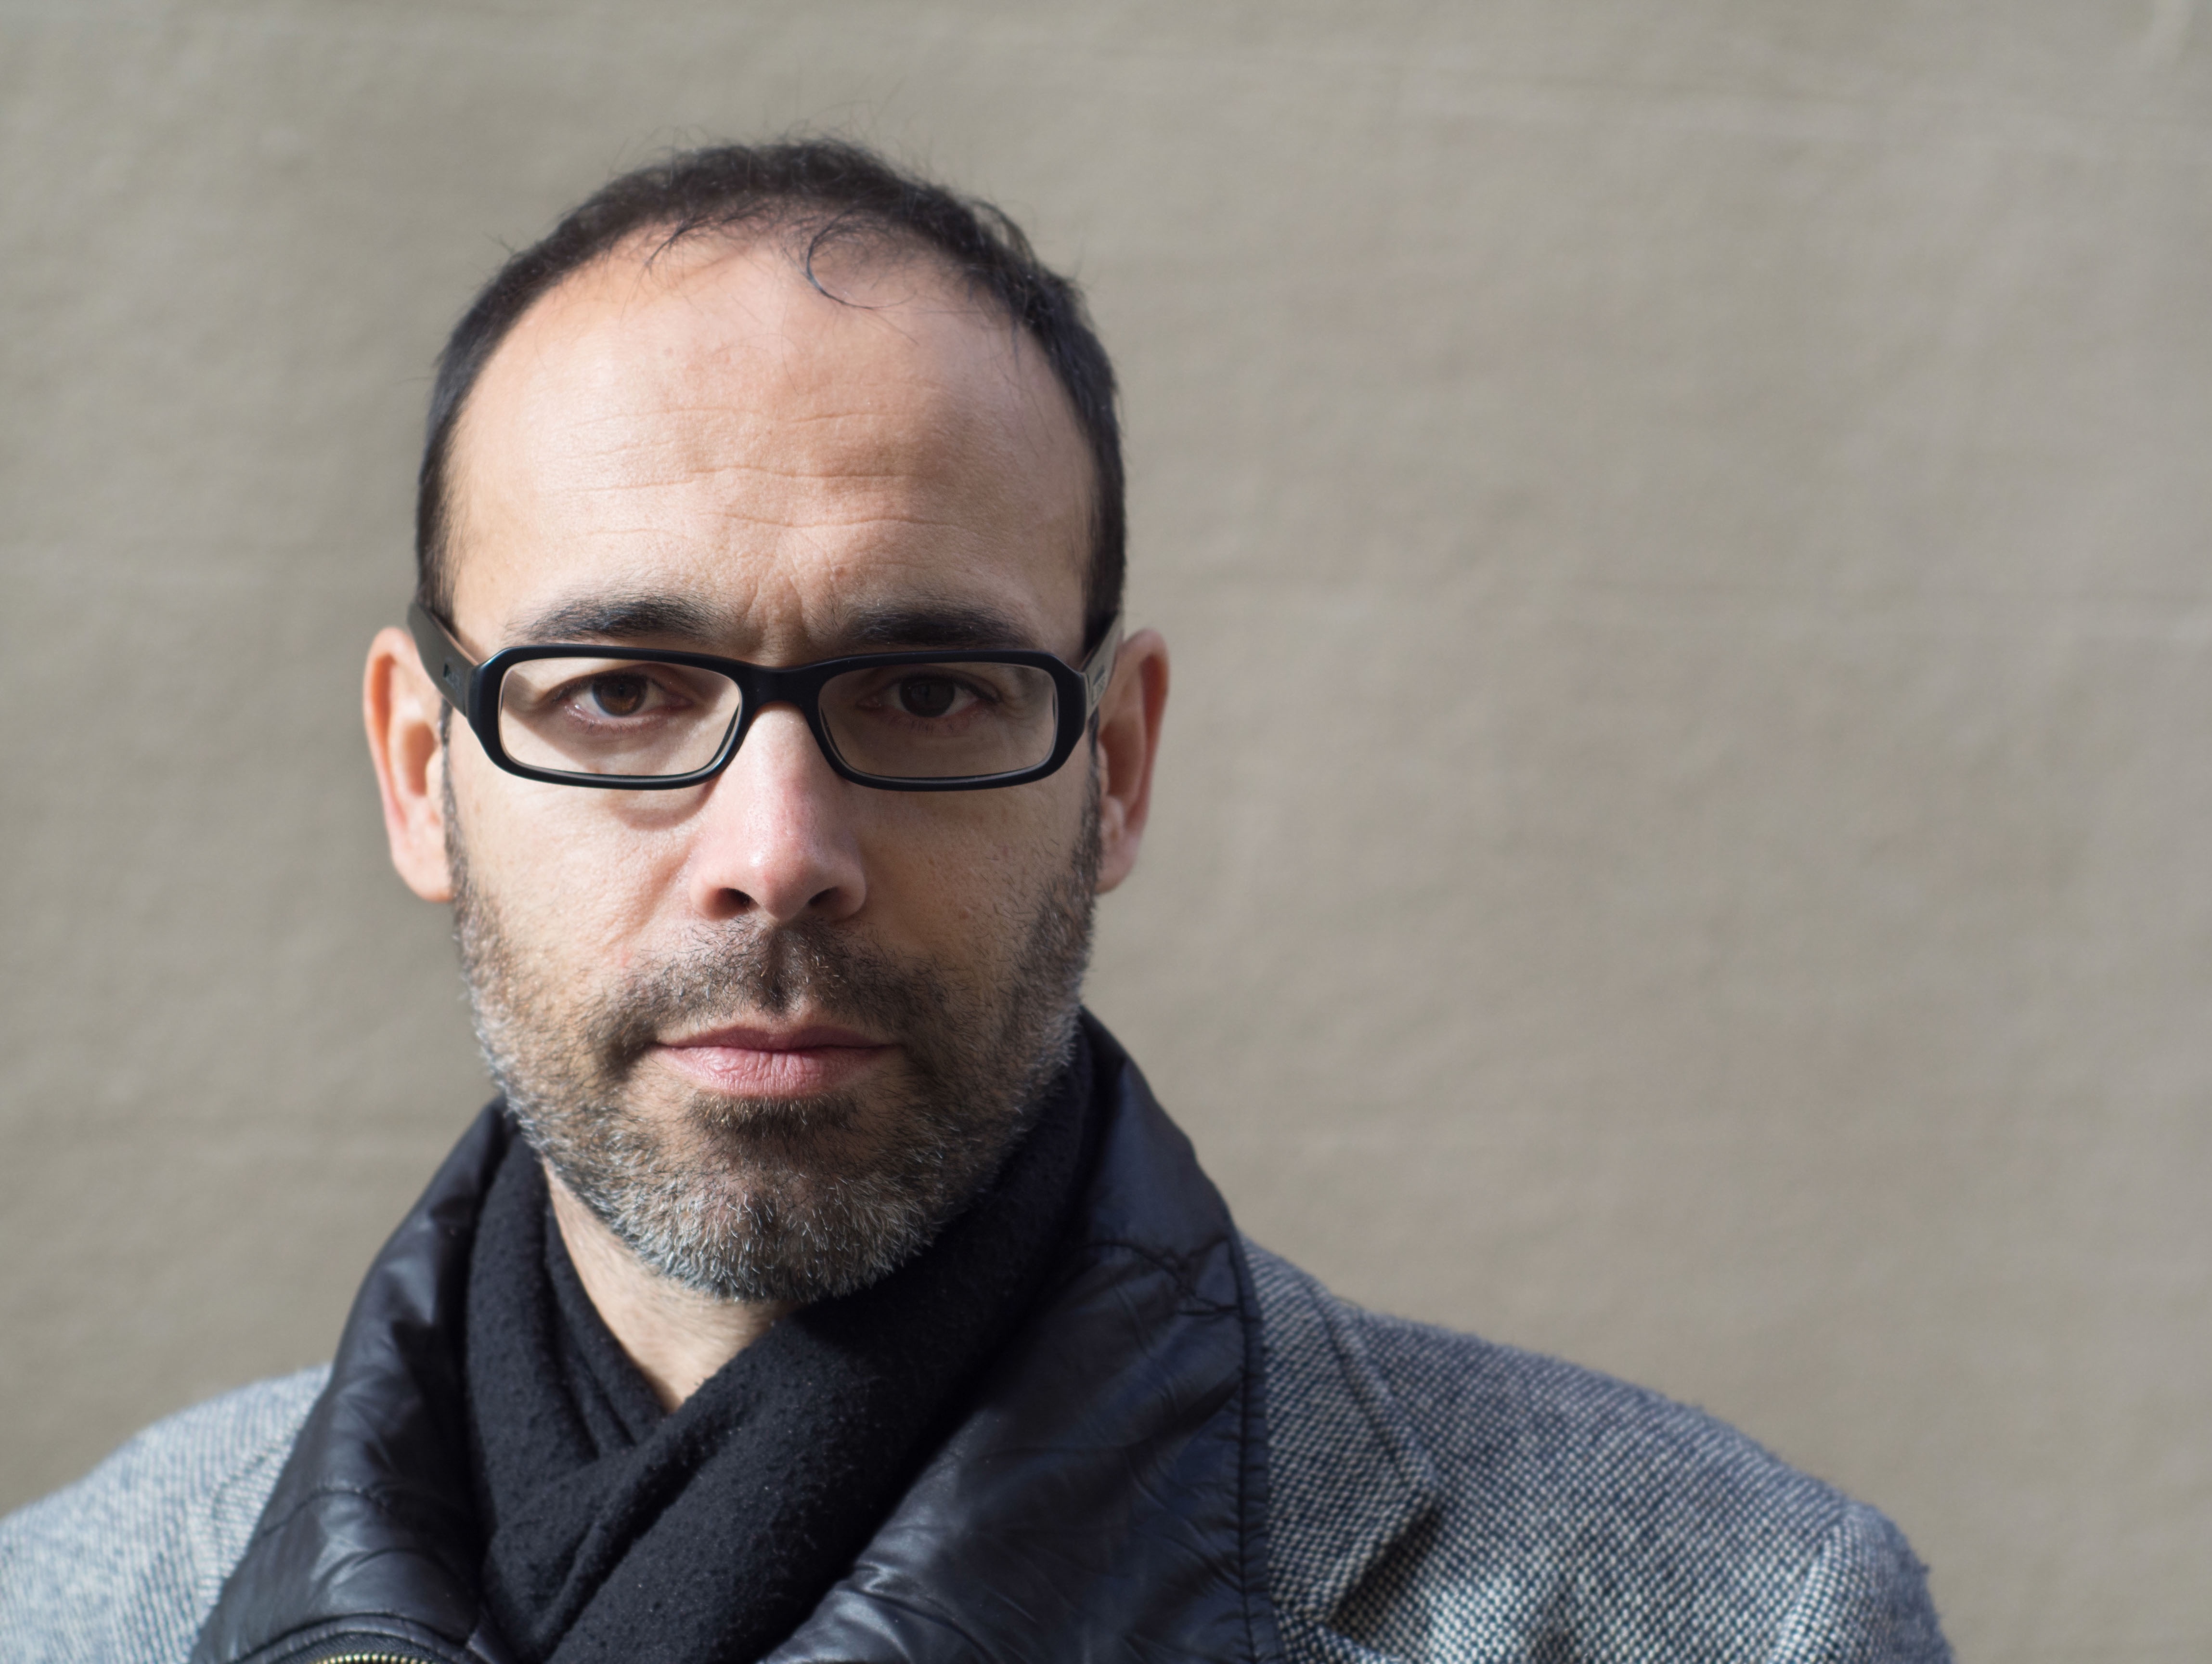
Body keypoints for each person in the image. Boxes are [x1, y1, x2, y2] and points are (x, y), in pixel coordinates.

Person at [0, 140, 1952, 1664]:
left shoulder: (1729, 1620)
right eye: (620, 694)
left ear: (1117, 768)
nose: (779, 847)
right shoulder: (68, 1608)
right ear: (423, 772)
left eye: (929, 691)